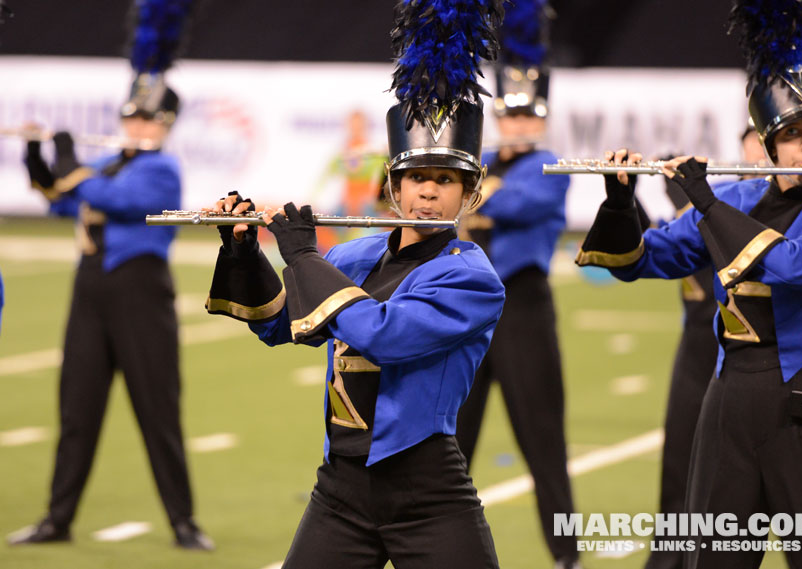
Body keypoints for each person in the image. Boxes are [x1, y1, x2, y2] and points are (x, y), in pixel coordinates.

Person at [205, 1, 506, 566]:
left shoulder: (472, 279)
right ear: (393, 186)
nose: (428, 193)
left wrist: (303, 254)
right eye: (416, 177)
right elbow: (277, 324)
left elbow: (385, 335)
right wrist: (245, 247)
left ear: (470, 194)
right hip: (339, 490)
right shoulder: (355, 254)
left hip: (426, 492)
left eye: (446, 180)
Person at [576, 48, 802, 569]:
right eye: (792, 134)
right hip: (728, 403)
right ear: (770, 147)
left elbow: (792, 265)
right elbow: (639, 260)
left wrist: (704, 201)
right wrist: (620, 201)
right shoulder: (736, 199)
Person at [7, 0, 212, 550]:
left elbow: (111, 201)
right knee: (77, 409)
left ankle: (183, 522)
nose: (135, 125)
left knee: (157, 410)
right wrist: (35, 154)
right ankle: (58, 519)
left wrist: (73, 166)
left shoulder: (161, 168)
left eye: (146, 119)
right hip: (90, 289)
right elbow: (60, 201)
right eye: (130, 117)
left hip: (140, 291)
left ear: (164, 125)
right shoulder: (105, 163)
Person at [454, 2, 579, 567]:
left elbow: (525, 202)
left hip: (523, 308)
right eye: (509, 118)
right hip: (470, 314)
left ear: (542, 120)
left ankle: (566, 553)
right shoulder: (478, 160)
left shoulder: (549, 164)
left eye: (527, 119)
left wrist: (484, 192)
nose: (518, 127)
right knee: (452, 441)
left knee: (542, 440)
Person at [644, 128, 768, 569]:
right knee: (678, 472)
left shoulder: (740, 206)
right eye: (753, 142)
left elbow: (728, 257)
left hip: (756, 360)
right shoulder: (728, 197)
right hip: (698, 349)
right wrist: (625, 199)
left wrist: (692, 202)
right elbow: (656, 252)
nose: (760, 150)